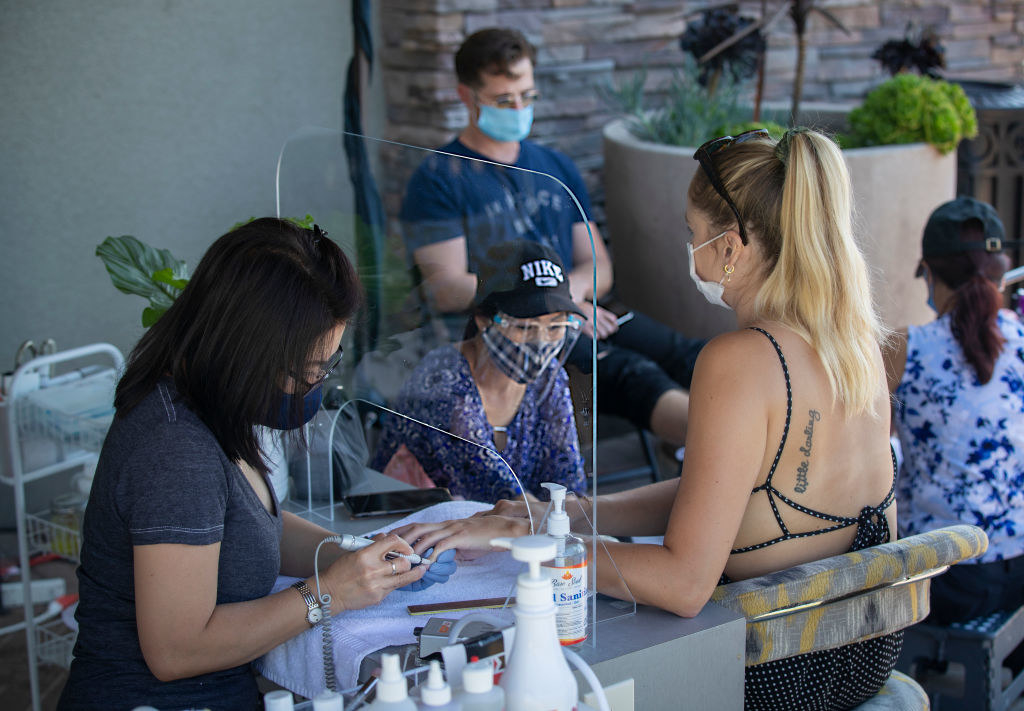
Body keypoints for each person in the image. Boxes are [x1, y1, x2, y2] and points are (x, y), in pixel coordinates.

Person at [392, 128, 901, 710]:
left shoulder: (741, 361)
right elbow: (737, 495)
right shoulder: (853, 344)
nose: (689, 249)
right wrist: (568, 515)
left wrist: (530, 537)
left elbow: (683, 585)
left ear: (731, 247)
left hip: (771, 674)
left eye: (693, 233)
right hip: (860, 654)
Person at [58, 219, 452, 710]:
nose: (319, 386)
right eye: (311, 372)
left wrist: (355, 555)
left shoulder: (210, 404)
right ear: (246, 353)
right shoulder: (175, 449)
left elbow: (245, 529)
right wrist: (328, 593)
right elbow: (176, 651)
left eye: (329, 365)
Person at [400, 27, 705, 447]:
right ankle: (730, 454)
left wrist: (567, 302)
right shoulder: (439, 178)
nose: (520, 108)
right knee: (628, 373)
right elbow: (446, 289)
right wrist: (555, 305)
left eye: (528, 96)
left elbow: (599, 267)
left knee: (685, 353)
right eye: (504, 100)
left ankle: (778, 424)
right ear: (466, 96)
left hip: (580, 310)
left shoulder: (554, 165)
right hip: (509, 336)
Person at [884, 196, 1024, 625]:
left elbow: (866, 445)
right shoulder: (1020, 335)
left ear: (929, 273)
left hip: (945, 580)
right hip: (1019, 565)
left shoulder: (904, 347)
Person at [370, 240, 587, 502]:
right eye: (523, 328)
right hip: (410, 528)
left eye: (555, 327)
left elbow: (569, 483)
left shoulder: (549, 380)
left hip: (500, 531)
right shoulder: (442, 379)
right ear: (483, 320)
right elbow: (499, 494)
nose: (541, 343)